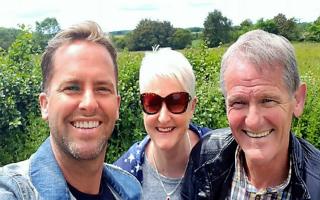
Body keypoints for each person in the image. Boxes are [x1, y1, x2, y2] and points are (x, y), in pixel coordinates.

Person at [0, 21, 141, 200]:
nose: (89, 103)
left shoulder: (130, 189)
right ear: (45, 104)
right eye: (72, 88)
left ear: (117, 106)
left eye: (102, 89)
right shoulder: (14, 191)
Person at [181, 29, 320, 200]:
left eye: (268, 100)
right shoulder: (204, 157)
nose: (253, 121)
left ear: (298, 100)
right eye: (238, 103)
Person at [115, 48, 212, 200]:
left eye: (176, 102)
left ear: (192, 106)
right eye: (152, 103)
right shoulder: (123, 177)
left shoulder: (220, 156)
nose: (163, 117)